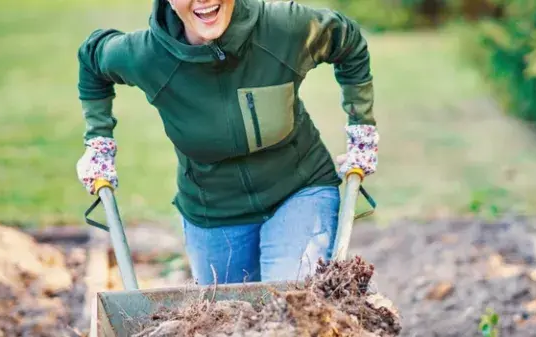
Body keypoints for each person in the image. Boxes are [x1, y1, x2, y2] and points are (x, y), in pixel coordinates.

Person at [74, 0, 378, 285]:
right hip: (213, 211)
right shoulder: (146, 56)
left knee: (293, 304)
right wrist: (99, 141)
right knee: (224, 316)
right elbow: (92, 58)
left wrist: (361, 127)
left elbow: (347, 40)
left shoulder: (281, 27)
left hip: (300, 189)